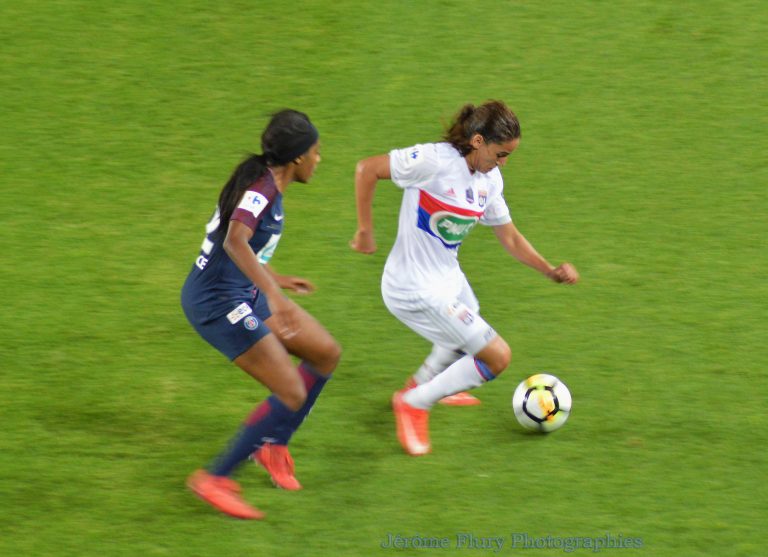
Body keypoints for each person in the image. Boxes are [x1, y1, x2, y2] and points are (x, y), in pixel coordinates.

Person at [350, 100, 578, 456]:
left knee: (462, 338)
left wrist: (549, 270)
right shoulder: (433, 162)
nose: (502, 164)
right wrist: (365, 230)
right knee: (496, 357)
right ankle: (414, 403)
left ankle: (423, 384)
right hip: (412, 287)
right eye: (500, 154)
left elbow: (511, 237)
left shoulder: (490, 180)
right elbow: (367, 169)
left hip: (448, 279)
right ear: (476, 141)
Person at [181, 109, 341, 519]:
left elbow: (242, 247)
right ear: (296, 159)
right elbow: (235, 240)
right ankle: (214, 477)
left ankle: (273, 445)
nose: (319, 159)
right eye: (316, 152)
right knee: (290, 390)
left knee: (325, 353)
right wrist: (275, 294)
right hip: (218, 302)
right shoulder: (262, 190)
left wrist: (277, 279)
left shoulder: (267, 181)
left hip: (244, 290)